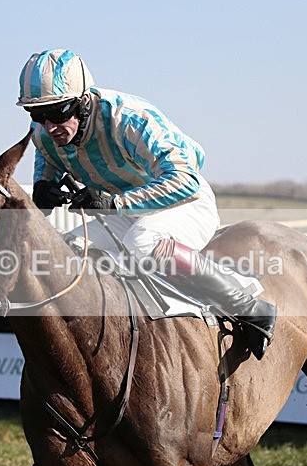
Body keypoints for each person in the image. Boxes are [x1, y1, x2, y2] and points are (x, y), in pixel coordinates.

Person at [17, 48, 276, 359]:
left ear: (83, 102)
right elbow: (47, 160)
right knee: (72, 250)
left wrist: (114, 203)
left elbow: (186, 181)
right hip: (125, 211)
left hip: (183, 203)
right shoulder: (44, 134)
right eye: (37, 114)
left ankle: (248, 306)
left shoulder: (128, 119)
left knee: (141, 241)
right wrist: (43, 188)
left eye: (58, 112)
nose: (48, 126)